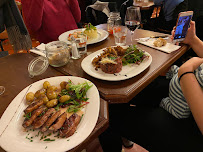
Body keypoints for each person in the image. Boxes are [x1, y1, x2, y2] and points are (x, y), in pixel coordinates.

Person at [99, 21, 203, 152]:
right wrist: (193, 40)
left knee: (108, 114)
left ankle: (122, 131)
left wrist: (186, 70)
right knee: (122, 91)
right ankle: (125, 135)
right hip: (183, 85)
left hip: (190, 124)